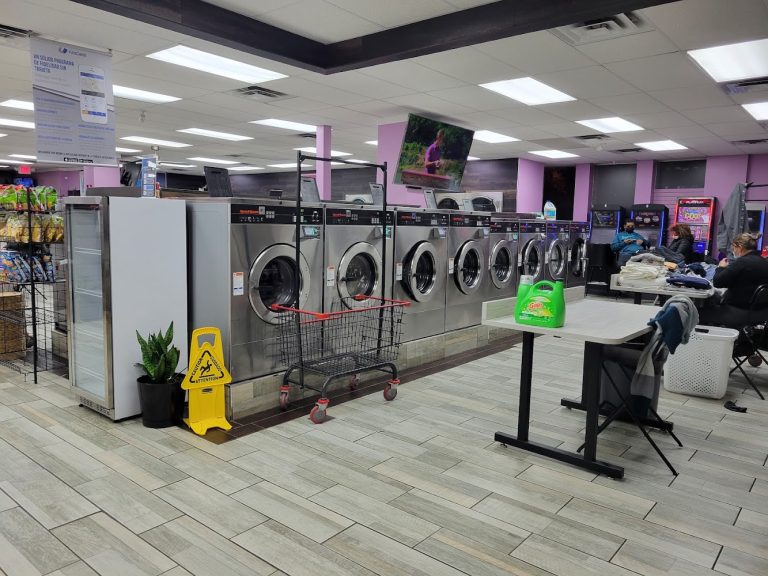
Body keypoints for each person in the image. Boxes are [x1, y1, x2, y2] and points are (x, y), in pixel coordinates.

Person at [698, 233, 768, 328]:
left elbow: (718, 282)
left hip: (737, 312)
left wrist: (721, 267)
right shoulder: (764, 262)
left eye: (734, 248)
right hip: (761, 313)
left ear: (740, 247)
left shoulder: (742, 262)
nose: (733, 251)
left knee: (697, 312)